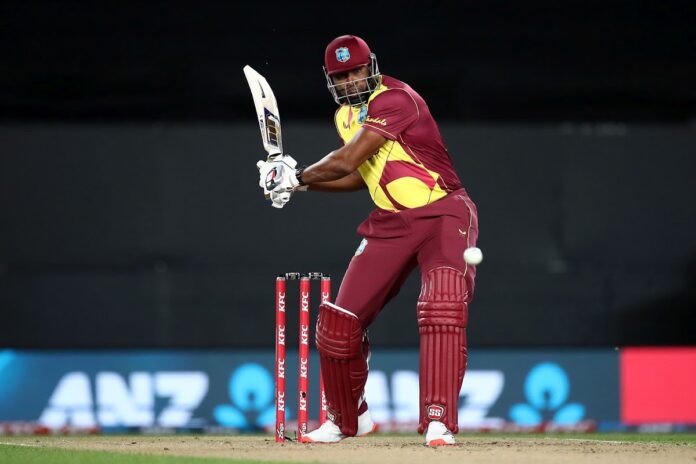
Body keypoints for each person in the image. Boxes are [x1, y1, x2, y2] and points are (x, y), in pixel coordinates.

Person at [256, 35, 479, 446]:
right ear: (330, 80)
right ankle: (348, 419)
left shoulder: (397, 99)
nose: (350, 81)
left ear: (371, 67)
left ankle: (438, 420)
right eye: (341, 76)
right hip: (390, 222)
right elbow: (360, 175)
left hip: (443, 213)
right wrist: (298, 186)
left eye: (356, 71)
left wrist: (296, 174)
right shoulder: (345, 117)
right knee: (338, 324)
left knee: (442, 305)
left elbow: (346, 160)